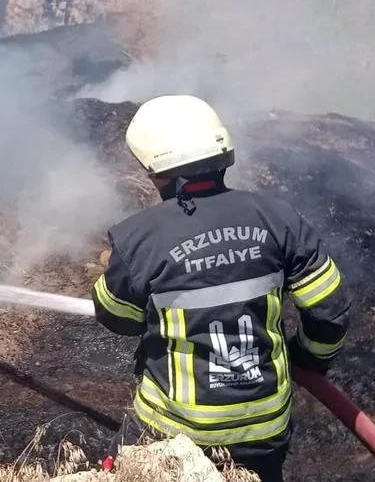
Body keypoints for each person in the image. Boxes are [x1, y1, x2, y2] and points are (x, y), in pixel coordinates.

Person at [91, 94, 352, 482]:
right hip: (262, 432)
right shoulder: (278, 217)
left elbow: (116, 317)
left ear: (154, 171)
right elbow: (331, 308)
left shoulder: (141, 238)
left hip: (172, 433)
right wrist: (309, 358)